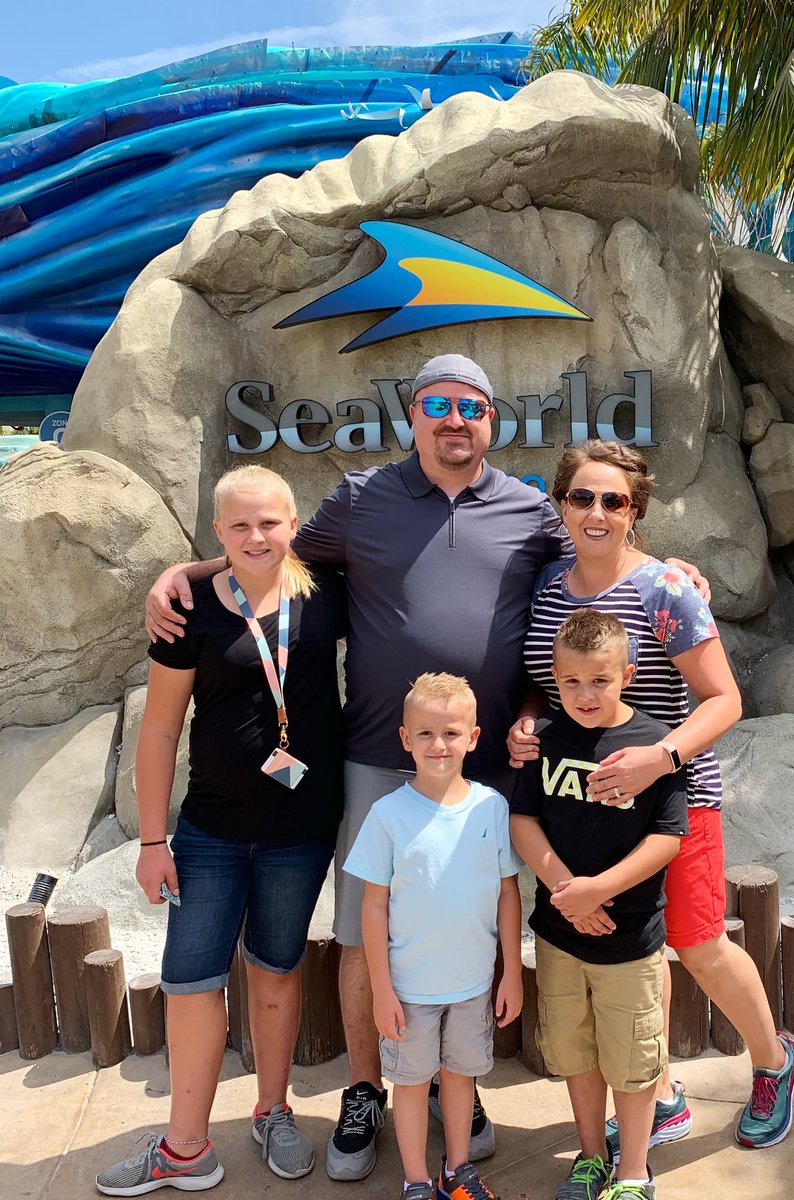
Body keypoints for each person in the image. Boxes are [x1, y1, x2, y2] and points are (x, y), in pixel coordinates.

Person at [146, 356, 708, 1180]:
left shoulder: (527, 509)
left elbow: (602, 545)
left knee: (479, 915)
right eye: (438, 405)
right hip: (380, 758)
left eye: (471, 407)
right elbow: (266, 554)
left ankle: (458, 1078)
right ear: (413, 415)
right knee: (367, 925)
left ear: (492, 421)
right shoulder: (359, 499)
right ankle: (369, 1086)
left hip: (493, 763)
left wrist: (670, 571)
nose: (455, 420)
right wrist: (186, 571)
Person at [509, 440, 794, 1155]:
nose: (597, 512)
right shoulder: (548, 587)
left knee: (697, 943)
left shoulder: (665, 590)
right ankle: (662, 1092)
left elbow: (723, 698)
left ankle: (773, 1060)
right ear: (561, 504)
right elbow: (549, 681)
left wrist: (661, 755)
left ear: (635, 512)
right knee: (636, 952)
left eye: (614, 500)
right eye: (583, 496)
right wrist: (527, 719)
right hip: (579, 802)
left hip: (674, 798)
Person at [98, 465, 346, 1195]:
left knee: (275, 972)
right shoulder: (189, 611)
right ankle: (184, 1146)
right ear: (218, 533)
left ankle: (273, 1112)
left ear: (294, 524)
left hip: (300, 829)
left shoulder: (326, 592)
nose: (256, 536)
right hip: (207, 830)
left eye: (270, 522)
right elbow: (159, 731)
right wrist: (150, 840)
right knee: (190, 980)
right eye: (239, 525)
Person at [510, 609, 688, 1200]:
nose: (584, 695)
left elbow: (667, 838)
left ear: (628, 675)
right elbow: (524, 821)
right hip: (561, 935)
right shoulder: (548, 739)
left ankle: (634, 1171)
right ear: (554, 680)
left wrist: (601, 890)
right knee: (575, 1051)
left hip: (630, 939)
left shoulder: (653, 747)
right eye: (571, 682)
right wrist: (568, 890)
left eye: (600, 680)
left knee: (633, 1059)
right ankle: (591, 1158)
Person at [344, 673, 521, 1200]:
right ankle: (417, 1180)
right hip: (410, 990)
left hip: (471, 985)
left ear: (474, 736)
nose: (438, 745)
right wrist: (380, 989)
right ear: (405, 739)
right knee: (413, 1084)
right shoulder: (387, 815)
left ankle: (459, 1171)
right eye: (424, 734)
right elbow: (372, 908)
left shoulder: (492, 807)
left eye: (450, 733)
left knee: (462, 1079)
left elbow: (508, 894)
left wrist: (510, 971)